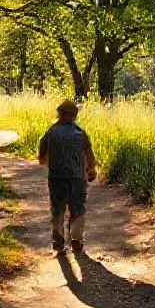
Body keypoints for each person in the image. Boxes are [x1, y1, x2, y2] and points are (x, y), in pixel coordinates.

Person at [37, 99, 97, 254]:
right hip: (77, 178)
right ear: (74, 116)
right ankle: (76, 241)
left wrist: (49, 162)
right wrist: (91, 168)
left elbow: (41, 156)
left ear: (60, 114)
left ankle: (58, 244)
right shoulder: (80, 133)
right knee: (77, 209)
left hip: (56, 177)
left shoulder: (51, 132)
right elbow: (89, 154)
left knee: (57, 210)